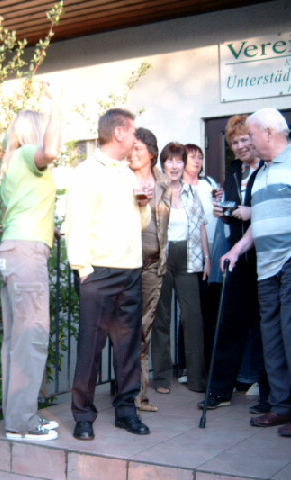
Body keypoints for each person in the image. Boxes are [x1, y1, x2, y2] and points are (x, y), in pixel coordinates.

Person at [222, 107, 291, 436]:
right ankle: (283, 407)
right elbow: (261, 221)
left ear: (269, 132)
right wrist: (238, 248)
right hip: (265, 268)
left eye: (252, 134)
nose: (249, 141)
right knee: (272, 339)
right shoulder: (261, 173)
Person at [65, 108, 152, 441]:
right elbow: (76, 222)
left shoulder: (129, 175)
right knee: (91, 348)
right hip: (99, 272)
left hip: (131, 271)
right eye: (133, 132)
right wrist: (83, 269)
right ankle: (83, 416)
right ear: (119, 133)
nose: (136, 139)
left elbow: (141, 223)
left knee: (128, 347)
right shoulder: (87, 172)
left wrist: (143, 204)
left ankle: (126, 412)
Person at [0, 89, 62, 442]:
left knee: (17, 340)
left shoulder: (14, 163)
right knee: (31, 338)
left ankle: (16, 419)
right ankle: (22, 423)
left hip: (14, 252)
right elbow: (51, 151)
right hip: (26, 255)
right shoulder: (26, 155)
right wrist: (58, 105)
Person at [196, 114, 269, 413]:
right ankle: (219, 391)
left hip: (266, 256)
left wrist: (250, 211)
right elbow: (232, 212)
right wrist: (223, 212)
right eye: (235, 142)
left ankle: (270, 396)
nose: (240, 146)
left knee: (268, 328)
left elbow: (266, 209)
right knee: (228, 325)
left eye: (244, 139)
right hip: (239, 258)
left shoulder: (268, 168)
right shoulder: (235, 171)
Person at [151, 143, 210, 394]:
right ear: (163, 163)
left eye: (179, 161)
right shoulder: (154, 191)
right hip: (161, 257)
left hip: (188, 256)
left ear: (184, 164)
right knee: (161, 319)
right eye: (169, 161)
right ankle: (161, 377)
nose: (174, 166)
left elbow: (202, 225)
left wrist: (207, 258)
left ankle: (196, 378)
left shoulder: (192, 192)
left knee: (193, 317)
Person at [129, 127, 170, 413]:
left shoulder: (164, 183)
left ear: (151, 153)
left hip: (155, 264)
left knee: (145, 329)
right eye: (130, 149)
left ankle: (140, 396)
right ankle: (125, 391)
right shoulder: (123, 180)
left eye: (138, 149)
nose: (132, 154)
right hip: (126, 263)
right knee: (125, 330)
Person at [184, 144, 219, 379]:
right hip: (190, 250)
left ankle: (207, 364)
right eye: (192, 157)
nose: (197, 161)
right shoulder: (178, 186)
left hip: (213, 248)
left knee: (210, 307)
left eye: (200, 157)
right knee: (191, 310)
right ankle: (189, 365)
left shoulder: (210, 184)